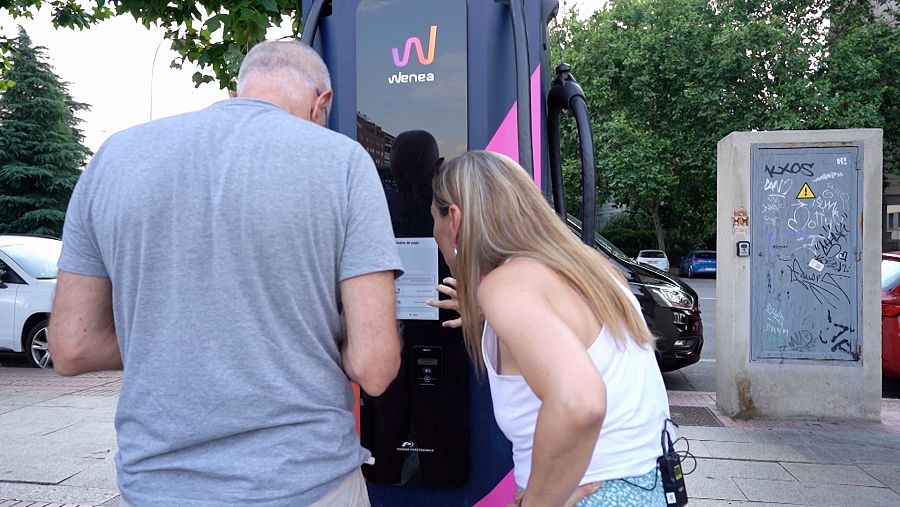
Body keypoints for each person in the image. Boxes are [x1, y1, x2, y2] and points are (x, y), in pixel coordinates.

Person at [49, 40, 403, 506]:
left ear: (239, 91)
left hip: (157, 486)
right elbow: (374, 366)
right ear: (323, 104)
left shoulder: (116, 157)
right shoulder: (343, 163)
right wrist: (302, 334)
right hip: (304, 483)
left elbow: (72, 347)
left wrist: (180, 334)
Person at [426, 151, 670, 507]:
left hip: (591, 496)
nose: (433, 231)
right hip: (647, 488)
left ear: (455, 220)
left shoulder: (506, 286)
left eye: (432, 218)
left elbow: (580, 402)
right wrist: (487, 316)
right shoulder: (593, 269)